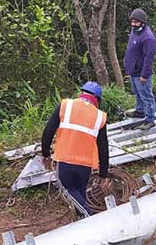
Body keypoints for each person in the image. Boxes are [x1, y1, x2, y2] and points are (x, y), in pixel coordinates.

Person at [41, 81, 109, 217]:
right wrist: (103, 174)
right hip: (85, 163)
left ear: (82, 93)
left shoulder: (65, 105)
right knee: (80, 189)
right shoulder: (99, 116)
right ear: (97, 99)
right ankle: (83, 217)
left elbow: (48, 131)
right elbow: (103, 147)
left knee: (69, 189)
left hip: (65, 158)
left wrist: (46, 154)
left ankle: (87, 217)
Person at [123, 8, 156, 130]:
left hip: (141, 72)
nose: (133, 24)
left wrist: (144, 75)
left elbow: (149, 58)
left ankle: (150, 119)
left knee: (146, 95)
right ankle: (139, 111)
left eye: (136, 22)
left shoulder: (148, 38)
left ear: (142, 22)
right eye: (132, 21)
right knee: (137, 92)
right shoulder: (134, 31)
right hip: (133, 70)